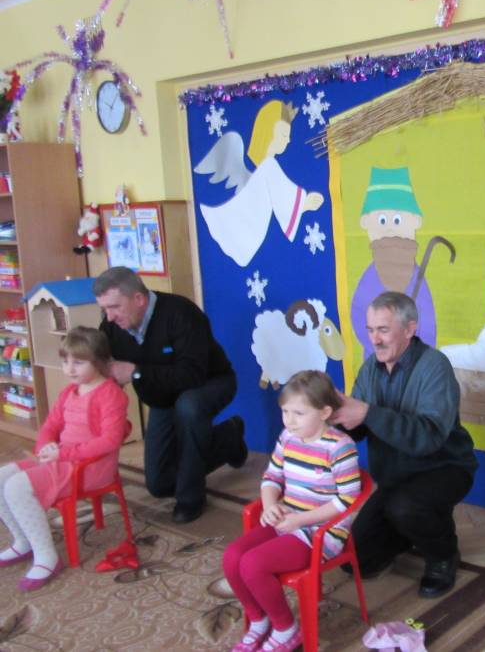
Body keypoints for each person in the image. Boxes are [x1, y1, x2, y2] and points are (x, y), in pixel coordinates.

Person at [332, 291, 478, 598]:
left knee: (406, 507)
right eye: (371, 330)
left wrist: (368, 413)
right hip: (397, 477)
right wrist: (332, 418)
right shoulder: (370, 367)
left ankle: (443, 555)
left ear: (410, 329)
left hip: (444, 467)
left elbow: (428, 437)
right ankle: (415, 528)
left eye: (383, 330)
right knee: (356, 559)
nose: (375, 339)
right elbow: (359, 426)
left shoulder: (435, 366)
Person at [94, 266, 247, 524]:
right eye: (104, 309)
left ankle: (191, 498)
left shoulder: (182, 313)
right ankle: (228, 438)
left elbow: (192, 375)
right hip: (163, 398)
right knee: (159, 483)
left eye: (114, 307)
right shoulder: (111, 327)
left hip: (210, 383)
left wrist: (136, 372)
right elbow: (99, 365)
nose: (109, 317)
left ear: (138, 299)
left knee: (189, 407)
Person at [223, 371, 360, 652]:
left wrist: (300, 520)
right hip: (288, 520)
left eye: (299, 413)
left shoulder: (340, 447)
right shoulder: (288, 437)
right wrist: (270, 505)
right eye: (285, 411)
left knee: (253, 565)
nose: (289, 420)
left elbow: (346, 500)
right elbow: (272, 477)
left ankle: (286, 629)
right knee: (232, 557)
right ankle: (259, 619)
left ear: (324, 412)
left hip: (321, 533)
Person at [0, 327, 129, 591]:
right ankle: (23, 541)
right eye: (65, 361)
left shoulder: (110, 394)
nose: (69, 368)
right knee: (2, 478)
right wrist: (45, 447)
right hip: (62, 459)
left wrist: (62, 453)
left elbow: (110, 440)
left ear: (99, 361)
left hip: (90, 468)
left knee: (16, 487)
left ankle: (47, 556)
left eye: (78, 362)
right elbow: (50, 426)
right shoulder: (70, 391)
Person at [195, 99, 325, 267]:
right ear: (269, 132)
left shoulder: (266, 168)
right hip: (242, 224)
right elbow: (281, 192)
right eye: (284, 135)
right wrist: (303, 204)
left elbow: (278, 195)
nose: (288, 140)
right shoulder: (269, 166)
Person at [350, 167, 436, 356]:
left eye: (397, 220)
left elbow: (427, 321)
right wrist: (380, 343)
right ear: (366, 222)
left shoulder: (416, 277)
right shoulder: (371, 278)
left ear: (415, 221)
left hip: (412, 362)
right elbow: (359, 314)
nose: (389, 228)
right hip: (378, 362)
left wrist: (421, 352)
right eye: (381, 220)